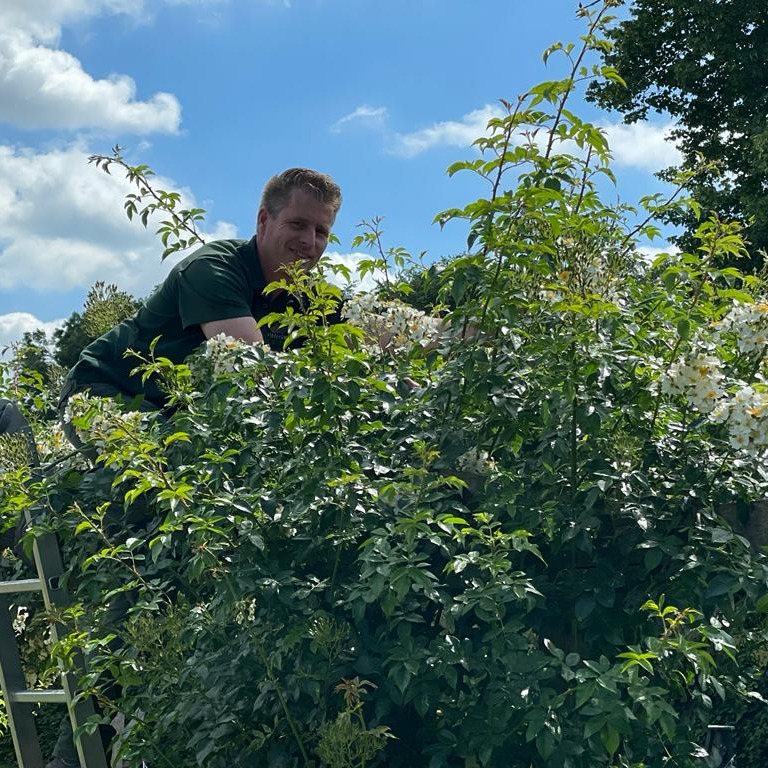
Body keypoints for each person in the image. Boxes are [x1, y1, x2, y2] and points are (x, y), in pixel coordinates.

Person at [46, 167, 342, 768]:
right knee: (157, 546)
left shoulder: (316, 299)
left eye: (322, 231)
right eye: (297, 225)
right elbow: (251, 370)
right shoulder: (215, 268)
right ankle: (81, 747)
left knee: (204, 537)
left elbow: (351, 373)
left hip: (186, 428)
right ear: (263, 221)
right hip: (110, 401)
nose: (310, 244)